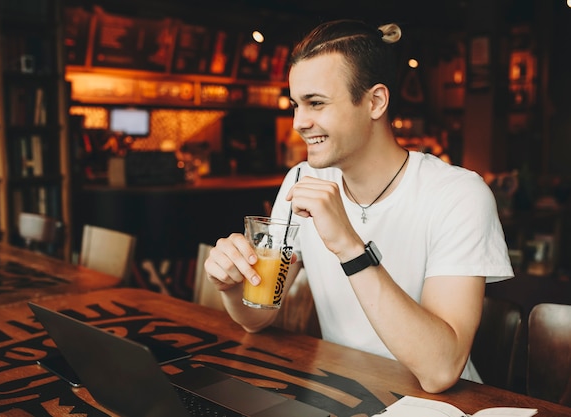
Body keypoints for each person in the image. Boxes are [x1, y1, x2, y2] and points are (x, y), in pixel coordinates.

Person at [204, 19, 513, 394]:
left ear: (375, 102)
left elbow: (440, 370)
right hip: (343, 391)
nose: (299, 122)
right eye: (295, 105)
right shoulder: (302, 180)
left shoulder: (458, 194)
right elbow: (258, 317)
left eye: (316, 103)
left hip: (439, 405)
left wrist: (350, 247)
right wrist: (232, 287)